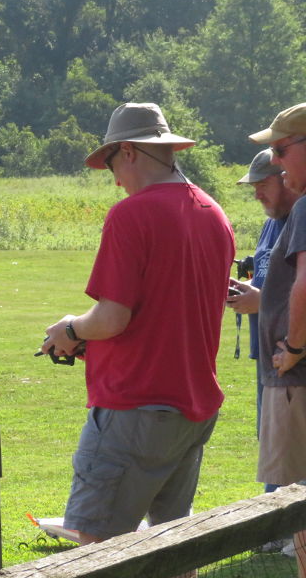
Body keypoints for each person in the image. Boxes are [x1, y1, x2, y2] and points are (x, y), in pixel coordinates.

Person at [41, 102, 235, 551]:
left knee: (95, 547)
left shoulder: (131, 215)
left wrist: (69, 330)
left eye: (111, 163)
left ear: (128, 151)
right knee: (171, 544)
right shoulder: (215, 214)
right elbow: (169, 312)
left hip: (135, 406)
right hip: (191, 409)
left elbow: (111, 318)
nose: (113, 179)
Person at [249, 104, 306, 574]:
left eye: (281, 151)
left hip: (296, 373)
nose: (277, 161)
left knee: (295, 489)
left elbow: (305, 282)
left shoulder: (305, 207)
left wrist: (294, 347)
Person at [227, 148, 300, 446]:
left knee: (291, 463)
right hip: (267, 358)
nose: (257, 195)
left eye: (262, 186)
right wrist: (242, 292)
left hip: (294, 359)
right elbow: (268, 282)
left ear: (285, 178)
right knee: (272, 450)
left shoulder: (301, 219)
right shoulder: (271, 223)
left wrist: (260, 301)